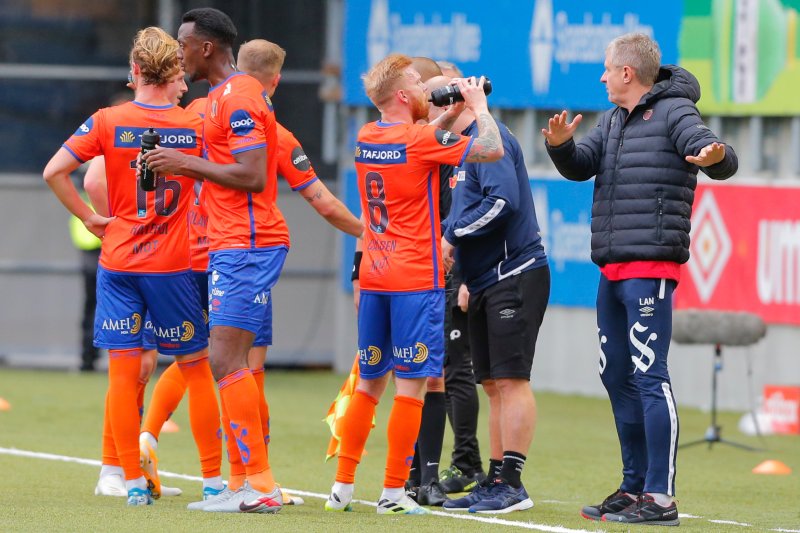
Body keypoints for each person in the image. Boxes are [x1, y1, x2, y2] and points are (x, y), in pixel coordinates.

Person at [138, 38, 361, 507]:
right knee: (238, 365)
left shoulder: (200, 109)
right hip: (239, 249)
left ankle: (170, 444)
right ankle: (250, 480)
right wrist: (368, 233)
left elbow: (149, 138)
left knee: (202, 355)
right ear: (276, 81)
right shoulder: (273, 134)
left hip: (197, 248)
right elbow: (321, 200)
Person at [541, 32, 738, 526]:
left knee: (650, 376)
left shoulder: (675, 112)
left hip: (651, 266)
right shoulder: (611, 120)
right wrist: (561, 148)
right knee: (615, 375)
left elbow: (715, 153)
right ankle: (632, 487)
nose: (602, 76)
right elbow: (581, 166)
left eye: (607, 69)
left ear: (627, 73)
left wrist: (716, 157)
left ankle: (661, 496)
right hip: (611, 266)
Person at [43, 26, 217, 507]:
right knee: (196, 368)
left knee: (123, 374)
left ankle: (128, 480)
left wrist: (92, 219)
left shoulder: (107, 119)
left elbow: (54, 171)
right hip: (172, 264)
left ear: (136, 71)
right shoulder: (195, 126)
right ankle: (215, 480)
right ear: (175, 72)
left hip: (118, 259)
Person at [323, 53, 503, 516]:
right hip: (416, 279)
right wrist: (478, 106)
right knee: (412, 388)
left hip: (377, 275)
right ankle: (392, 493)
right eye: (418, 86)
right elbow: (490, 148)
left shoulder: (367, 135)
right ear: (402, 94)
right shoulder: (421, 140)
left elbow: (419, 140)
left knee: (368, 384)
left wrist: (443, 110)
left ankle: (341, 487)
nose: (427, 91)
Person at [142, 7, 286, 513]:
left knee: (225, 360)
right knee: (228, 360)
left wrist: (185, 163)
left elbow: (251, 174)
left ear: (206, 47)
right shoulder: (215, 98)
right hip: (230, 243)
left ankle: (260, 487)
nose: (178, 52)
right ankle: (246, 482)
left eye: (183, 43)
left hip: (248, 243)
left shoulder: (241, 95)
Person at [83, 83, 210, 501]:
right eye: (178, 77)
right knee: (136, 365)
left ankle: (129, 471)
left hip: (149, 260)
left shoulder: (131, 119)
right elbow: (94, 178)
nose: (185, 85)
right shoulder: (162, 121)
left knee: (142, 363)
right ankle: (112, 468)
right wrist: (126, 223)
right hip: (149, 261)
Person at [439, 71, 550, 514]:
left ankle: (513, 483)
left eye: (440, 96)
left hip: (516, 272)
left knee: (511, 380)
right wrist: (466, 276)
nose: (433, 107)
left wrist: (452, 237)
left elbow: (503, 203)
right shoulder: (458, 147)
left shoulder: (491, 137)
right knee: (491, 383)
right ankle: (494, 477)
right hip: (484, 279)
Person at [426, 67, 487, 497]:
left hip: (456, 271)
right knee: (443, 367)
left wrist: (466, 276)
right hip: (431, 270)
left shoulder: (468, 148)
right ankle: (430, 467)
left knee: (455, 369)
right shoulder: (429, 141)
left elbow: (470, 217)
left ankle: (467, 462)